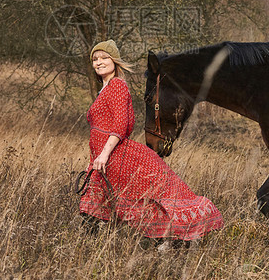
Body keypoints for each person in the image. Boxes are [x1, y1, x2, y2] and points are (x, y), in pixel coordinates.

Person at [79, 39, 224, 244]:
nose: (99, 62)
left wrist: (104, 154)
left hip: (114, 157)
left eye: (104, 57)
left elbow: (121, 125)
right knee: (91, 212)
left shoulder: (118, 86)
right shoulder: (106, 88)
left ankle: (170, 241)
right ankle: (89, 254)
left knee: (140, 205)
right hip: (102, 160)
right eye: (95, 59)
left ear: (115, 61)